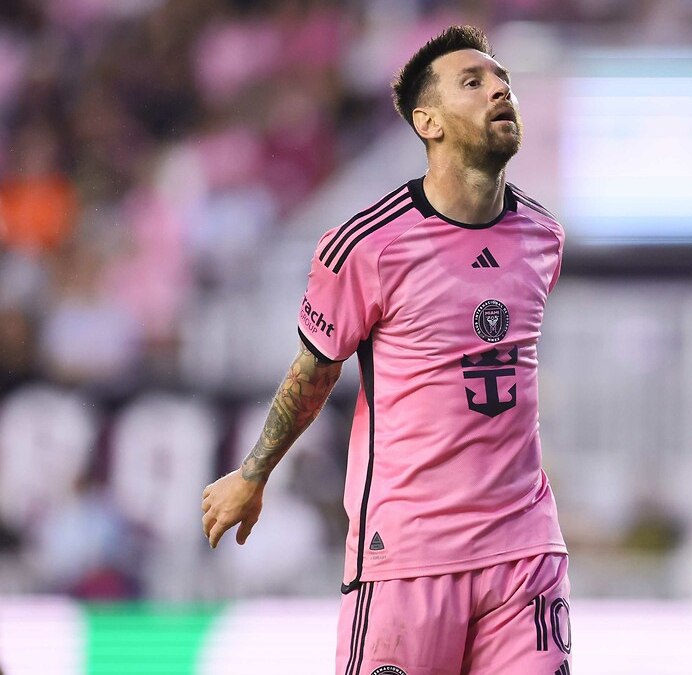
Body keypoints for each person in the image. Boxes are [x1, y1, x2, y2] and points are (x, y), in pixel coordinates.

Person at [201, 26, 572, 675]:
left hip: (524, 552)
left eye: (503, 81)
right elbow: (314, 372)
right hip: (408, 557)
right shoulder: (366, 246)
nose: (499, 91)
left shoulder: (543, 236)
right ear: (428, 122)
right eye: (473, 82)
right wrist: (254, 474)